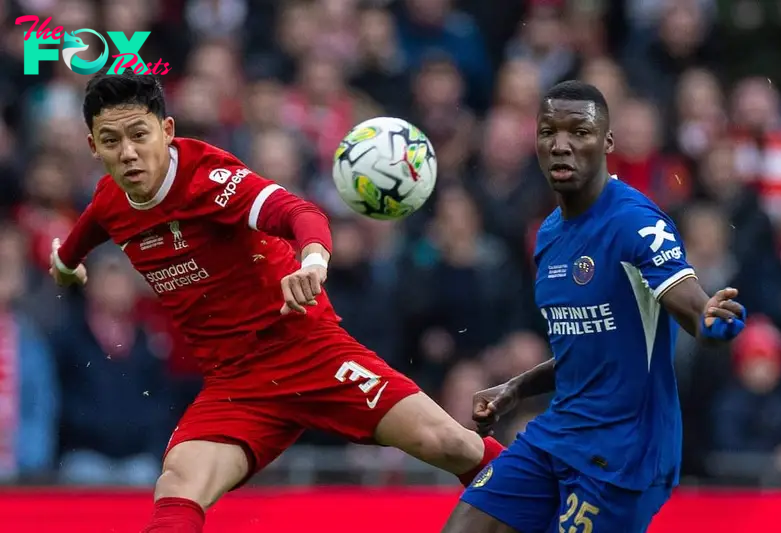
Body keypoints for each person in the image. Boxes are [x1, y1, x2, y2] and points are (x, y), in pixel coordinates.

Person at [50, 72, 504, 533]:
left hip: (307, 349)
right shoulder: (111, 200)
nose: (127, 153)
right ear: (93, 146)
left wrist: (312, 261)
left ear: (166, 131)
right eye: (111, 141)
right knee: (178, 481)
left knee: (450, 443)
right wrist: (67, 263)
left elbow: (298, 212)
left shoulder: (209, 178)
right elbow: (85, 233)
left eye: (139, 135)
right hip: (237, 383)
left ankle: (559, 508)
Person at [442, 81, 747, 533]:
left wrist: (709, 319)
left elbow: (691, 306)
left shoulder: (635, 222)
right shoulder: (548, 234)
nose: (561, 145)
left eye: (579, 132)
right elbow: (587, 345)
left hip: (626, 454)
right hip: (559, 434)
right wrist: (516, 389)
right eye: (549, 132)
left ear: (607, 142)